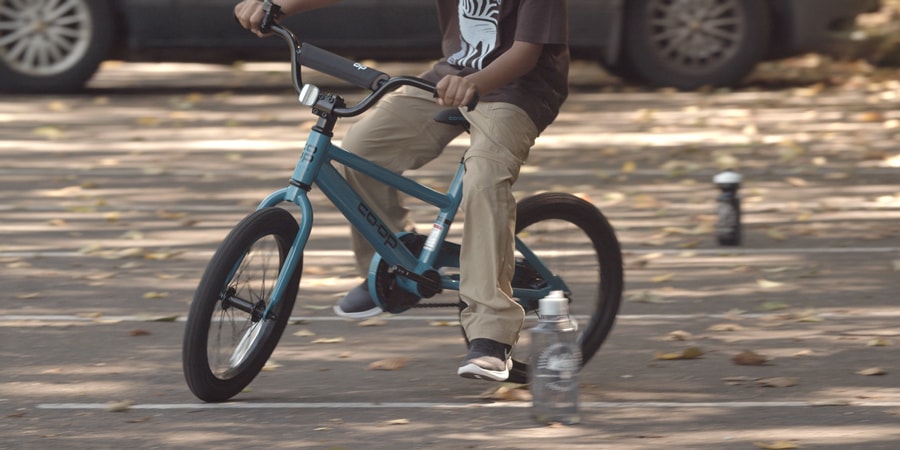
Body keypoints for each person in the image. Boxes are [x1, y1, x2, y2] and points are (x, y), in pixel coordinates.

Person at [235, 0, 569, 382]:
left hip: (519, 91)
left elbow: (525, 54)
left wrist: (473, 84)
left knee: (484, 179)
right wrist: (280, 6)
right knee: (359, 149)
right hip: (450, 79)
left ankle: (492, 333)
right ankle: (395, 260)